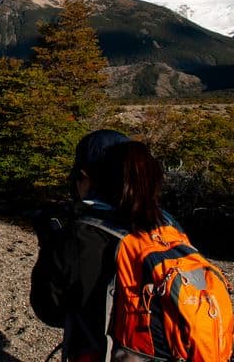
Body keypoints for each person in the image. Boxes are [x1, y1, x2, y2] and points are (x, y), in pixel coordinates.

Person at [31, 130, 164, 362]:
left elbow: (49, 310)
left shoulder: (80, 237)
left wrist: (50, 247)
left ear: (85, 177)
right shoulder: (167, 225)